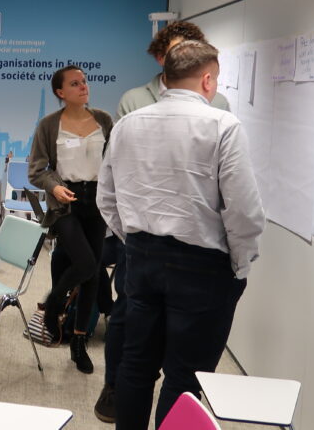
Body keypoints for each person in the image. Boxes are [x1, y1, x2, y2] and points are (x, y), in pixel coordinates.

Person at [97, 40, 264, 430]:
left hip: (141, 259)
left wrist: (133, 241)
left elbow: (107, 198)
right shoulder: (223, 126)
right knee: (185, 377)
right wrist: (239, 264)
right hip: (204, 267)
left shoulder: (127, 124)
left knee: (136, 364)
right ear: (207, 80)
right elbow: (243, 211)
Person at [28, 65, 114, 373]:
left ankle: (78, 341)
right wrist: (54, 187)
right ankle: (54, 303)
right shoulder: (49, 125)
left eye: (84, 82)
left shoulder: (104, 120)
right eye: (75, 83)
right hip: (66, 203)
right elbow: (36, 170)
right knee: (87, 263)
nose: (83, 87)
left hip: (97, 201)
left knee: (92, 275)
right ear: (60, 92)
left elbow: (115, 161)